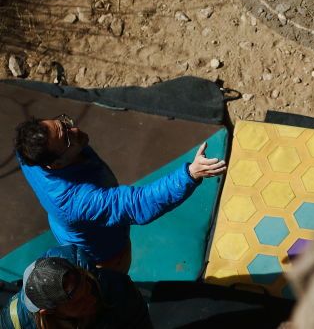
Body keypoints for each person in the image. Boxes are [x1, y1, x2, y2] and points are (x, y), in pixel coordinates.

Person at [13, 115, 226, 273]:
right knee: (114, 291)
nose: (75, 130)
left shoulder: (28, 153)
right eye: (67, 138)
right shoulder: (77, 201)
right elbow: (138, 204)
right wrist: (190, 174)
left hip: (69, 231)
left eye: (64, 124)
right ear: (56, 163)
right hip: (106, 255)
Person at [0, 244, 152, 329]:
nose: (92, 299)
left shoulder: (118, 289)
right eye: (79, 303)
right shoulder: (16, 321)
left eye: (87, 285)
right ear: (48, 312)